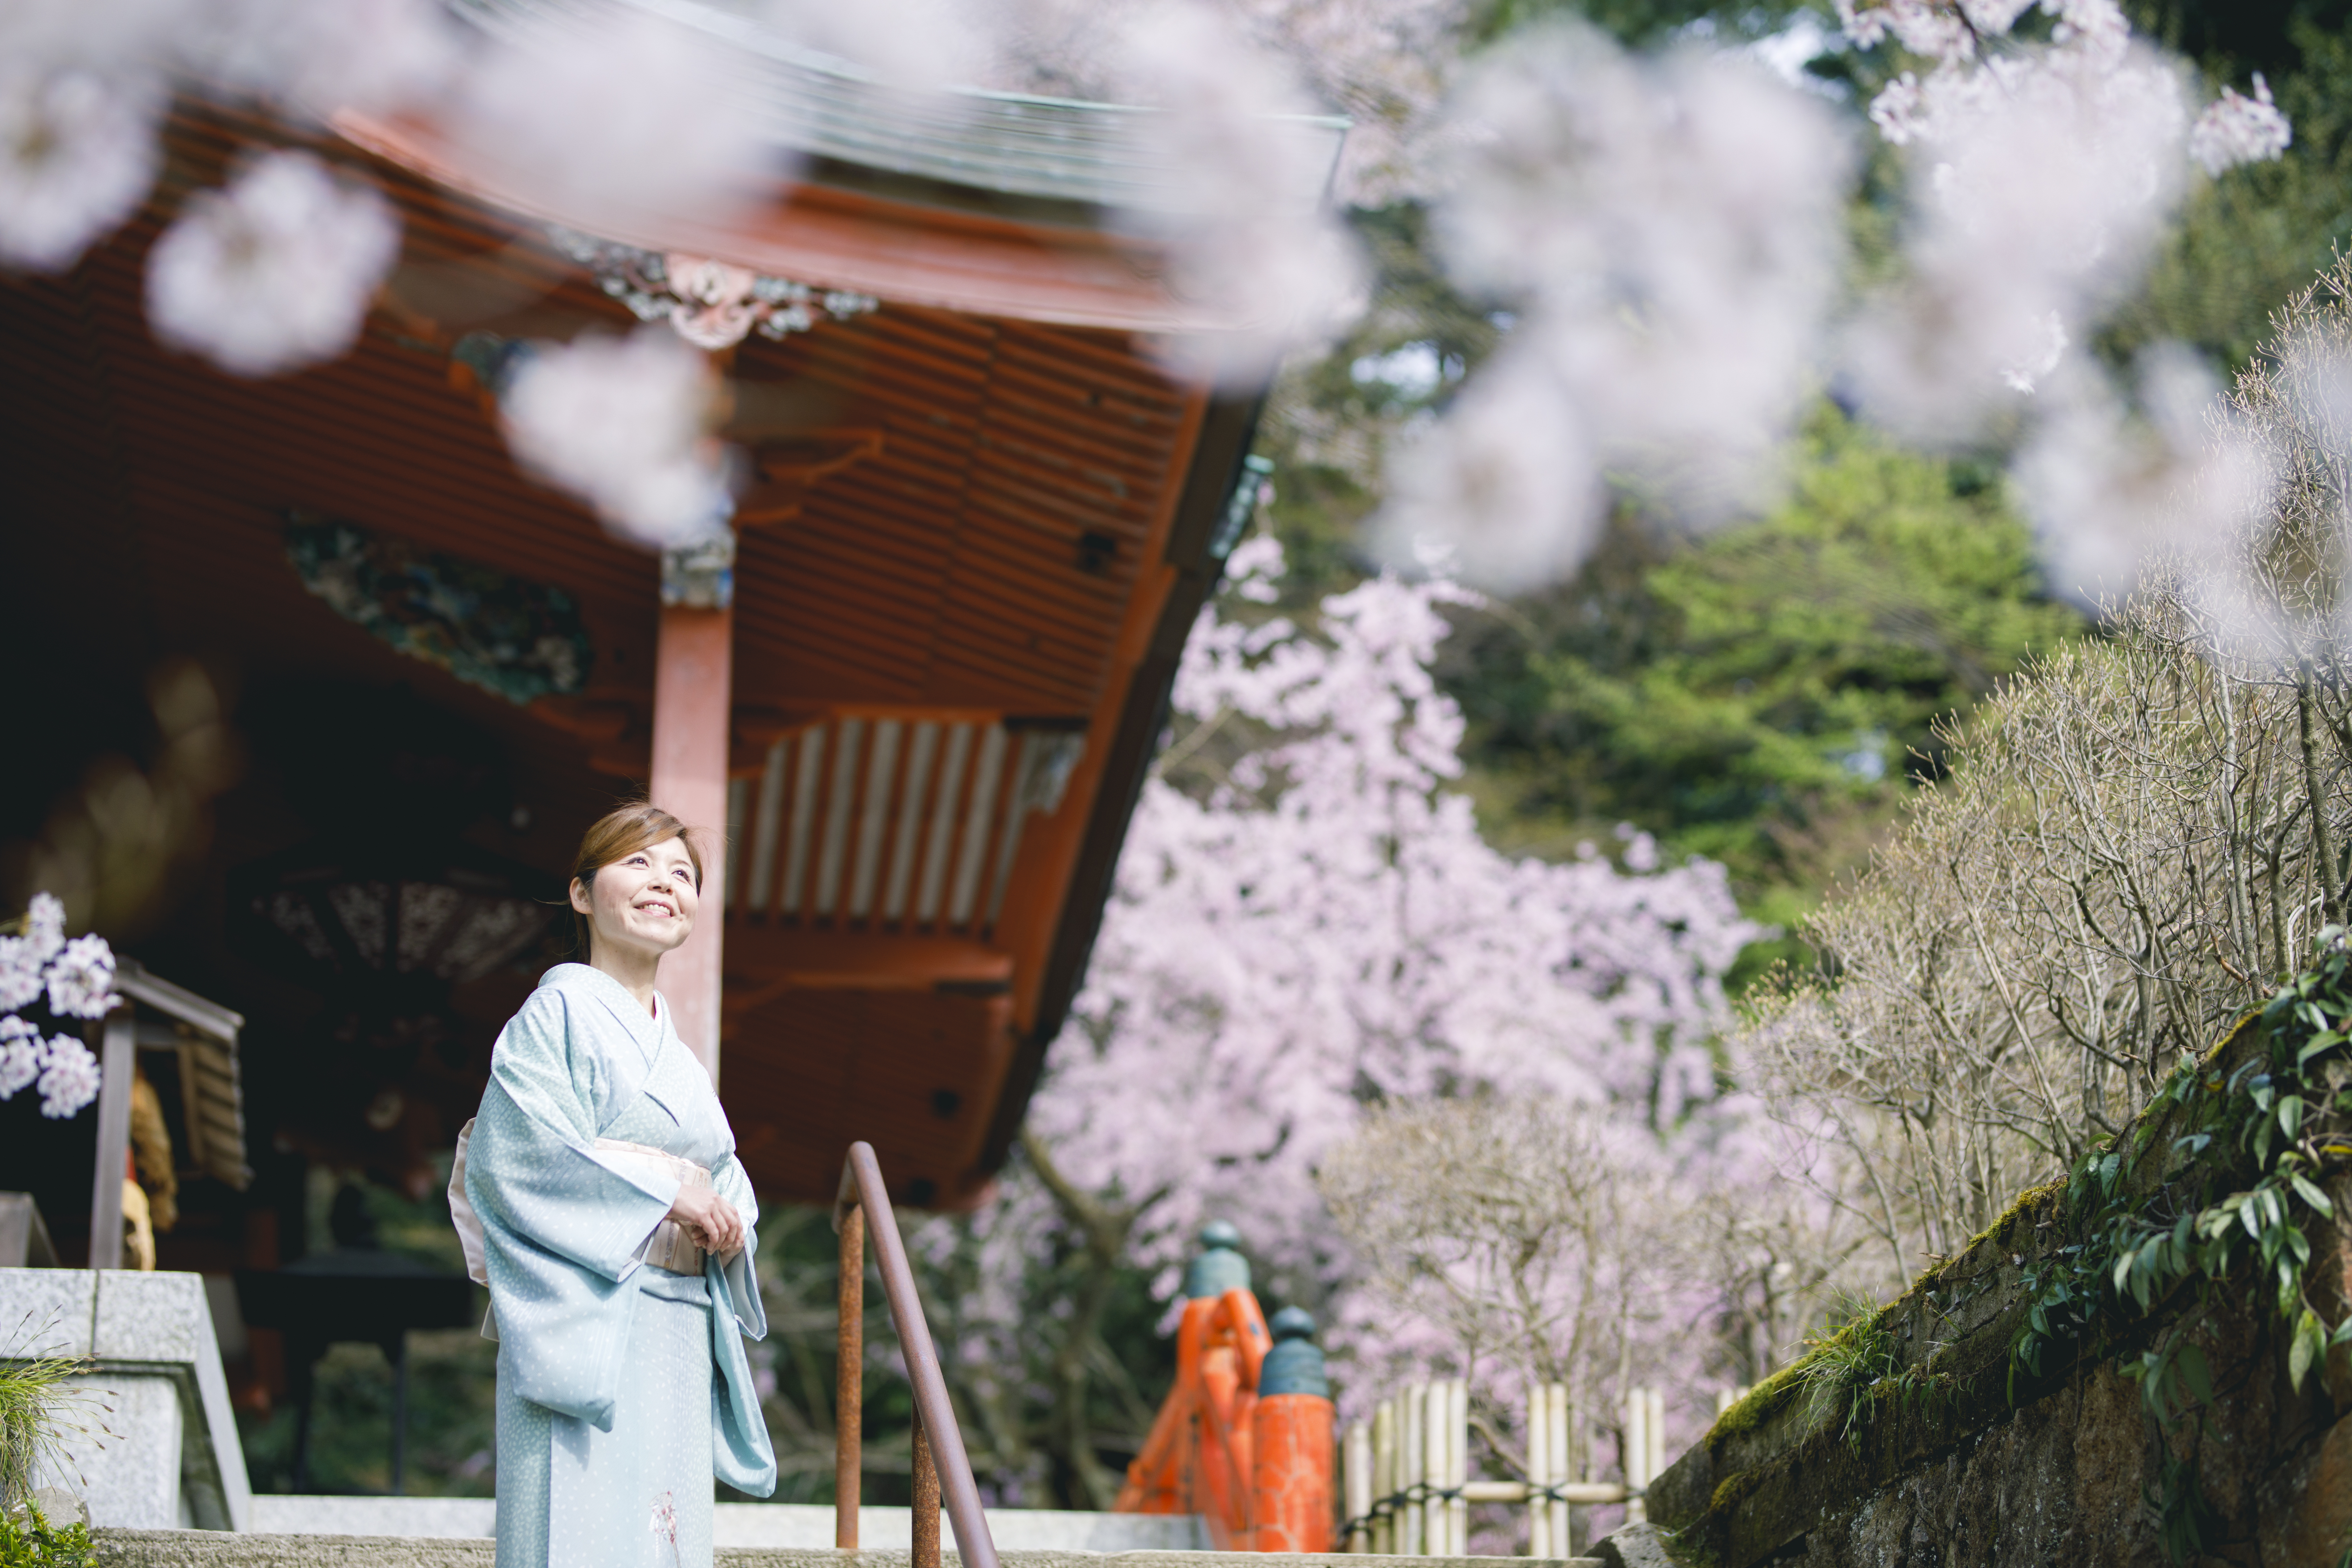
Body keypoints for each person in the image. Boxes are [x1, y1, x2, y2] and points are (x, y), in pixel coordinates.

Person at [451, 802, 775, 1568]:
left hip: (678, 1320)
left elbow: (724, 1177)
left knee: (663, 1536)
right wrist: (664, 1195)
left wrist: (728, 1223)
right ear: (579, 892)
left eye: (683, 873)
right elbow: (514, 1157)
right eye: (639, 862)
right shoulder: (556, 1011)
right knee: (579, 1535)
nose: (665, 882)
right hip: (582, 1314)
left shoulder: (684, 1062)